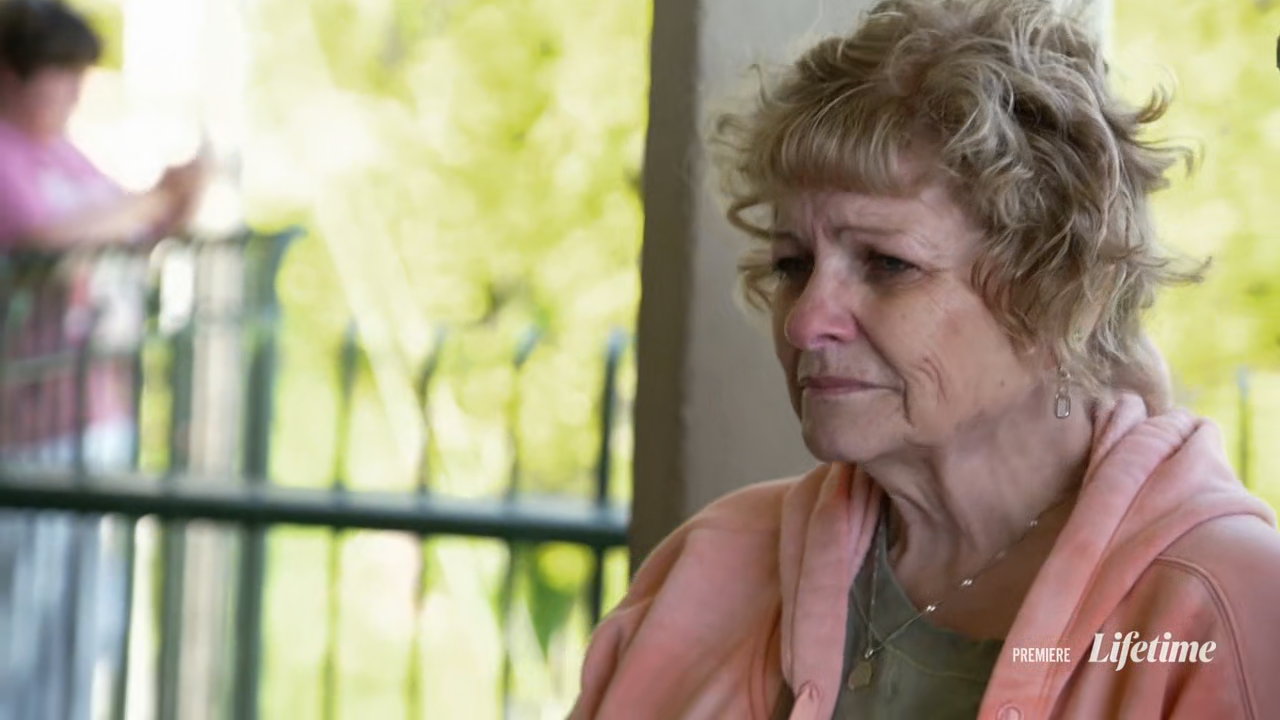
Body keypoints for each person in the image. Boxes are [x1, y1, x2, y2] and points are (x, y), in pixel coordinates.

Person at [570, 0, 1280, 718]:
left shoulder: (1222, 606)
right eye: (792, 265)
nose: (807, 321)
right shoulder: (707, 567)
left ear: (1060, 293)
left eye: (887, 263)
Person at [0, 2, 205, 719]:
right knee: (22, 628)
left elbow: (132, 224)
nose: (72, 91)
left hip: (93, 408)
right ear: (14, 73)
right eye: (58, 72)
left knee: (83, 622)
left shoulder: (64, 152)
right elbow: (42, 240)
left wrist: (178, 198)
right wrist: (146, 202)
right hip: (28, 425)